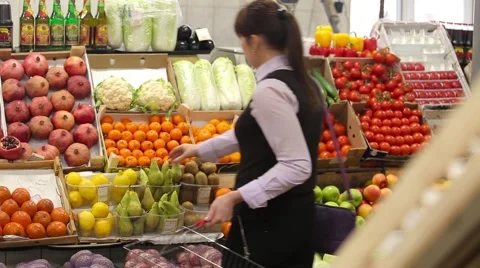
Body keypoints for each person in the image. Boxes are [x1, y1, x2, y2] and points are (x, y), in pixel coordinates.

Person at [169, 0, 325, 267]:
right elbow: (258, 134)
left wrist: (235, 195)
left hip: (271, 226)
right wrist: (200, 149)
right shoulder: (304, 80)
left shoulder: (271, 89)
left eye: (242, 41)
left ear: (254, 41)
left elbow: (298, 166)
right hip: (295, 220)